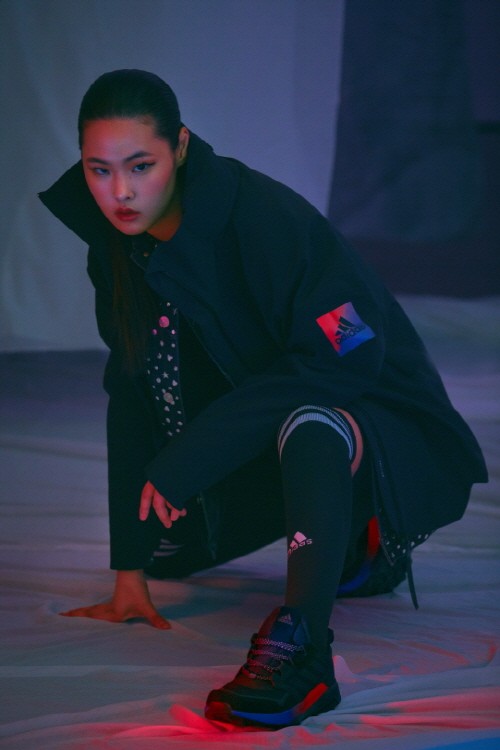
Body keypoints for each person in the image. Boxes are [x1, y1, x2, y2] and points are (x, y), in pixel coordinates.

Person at [39, 69, 487, 730]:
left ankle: (306, 644)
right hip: (269, 435)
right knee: (170, 549)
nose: (121, 193)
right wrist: (129, 570)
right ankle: (301, 536)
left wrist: (198, 453)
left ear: (180, 147)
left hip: (379, 431)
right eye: (99, 170)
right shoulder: (119, 246)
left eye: (140, 165)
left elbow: (350, 349)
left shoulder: (263, 216)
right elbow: (129, 386)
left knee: (309, 418)